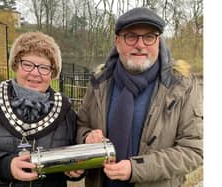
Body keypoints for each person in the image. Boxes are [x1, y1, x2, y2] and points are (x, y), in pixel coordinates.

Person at [76, 7, 203, 187]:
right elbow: (81, 125)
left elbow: (194, 150)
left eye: (149, 37)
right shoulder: (99, 82)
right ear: (117, 41)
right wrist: (87, 137)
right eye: (131, 36)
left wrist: (137, 169)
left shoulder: (182, 86)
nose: (140, 45)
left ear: (158, 41)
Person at [0, 32, 83, 187]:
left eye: (44, 67)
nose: (35, 73)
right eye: (27, 64)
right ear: (15, 65)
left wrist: (75, 169)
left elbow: (74, 154)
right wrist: (4, 166)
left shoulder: (66, 112)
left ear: (52, 73)